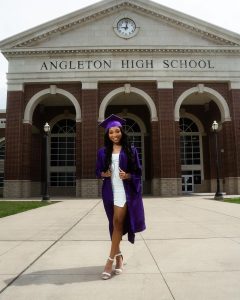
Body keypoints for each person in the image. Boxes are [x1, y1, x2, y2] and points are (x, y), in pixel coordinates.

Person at [96, 114, 146, 280]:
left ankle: (109, 261)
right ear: (107, 134)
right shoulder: (102, 152)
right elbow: (98, 171)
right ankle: (119, 258)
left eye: (117, 131)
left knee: (118, 223)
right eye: (111, 132)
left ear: (122, 132)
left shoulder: (131, 150)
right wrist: (104, 173)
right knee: (112, 224)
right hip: (109, 191)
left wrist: (128, 176)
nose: (114, 135)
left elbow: (138, 172)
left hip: (125, 192)